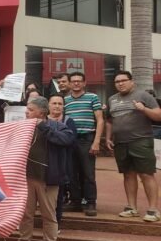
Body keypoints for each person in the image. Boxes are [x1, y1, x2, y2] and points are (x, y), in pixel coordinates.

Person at [11, 97, 75, 241]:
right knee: (26, 214)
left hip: (49, 179)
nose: (26, 112)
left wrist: (43, 127)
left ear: (41, 112)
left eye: (30, 110)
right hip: (26, 178)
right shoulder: (23, 127)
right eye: (27, 109)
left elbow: (67, 140)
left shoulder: (57, 126)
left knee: (49, 215)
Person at [105, 70, 161, 222]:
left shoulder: (144, 96)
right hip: (121, 143)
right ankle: (131, 207)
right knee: (128, 174)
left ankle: (153, 210)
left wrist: (144, 109)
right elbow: (109, 121)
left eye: (123, 80)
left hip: (141, 141)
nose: (120, 83)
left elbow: (158, 115)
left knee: (146, 174)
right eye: (117, 81)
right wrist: (108, 138)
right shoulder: (112, 99)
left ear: (132, 81)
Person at [63, 71, 104, 216]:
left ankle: (91, 202)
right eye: (73, 81)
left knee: (88, 173)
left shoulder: (92, 97)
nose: (76, 83)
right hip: (70, 140)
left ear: (84, 83)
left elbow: (100, 120)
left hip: (87, 139)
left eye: (79, 81)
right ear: (69, 83)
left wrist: (97, 141)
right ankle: (75, 201)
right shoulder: (65, 100)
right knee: (71, 172)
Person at [48, 94, 78, 224]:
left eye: (60, 104)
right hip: (45, 163)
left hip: (62, 163)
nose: (57, 106)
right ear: (48, 105)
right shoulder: (42, 120)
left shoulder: (68, 121)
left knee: (59, 194)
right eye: (54, 103)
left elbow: (70, 141)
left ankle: (57, 222)